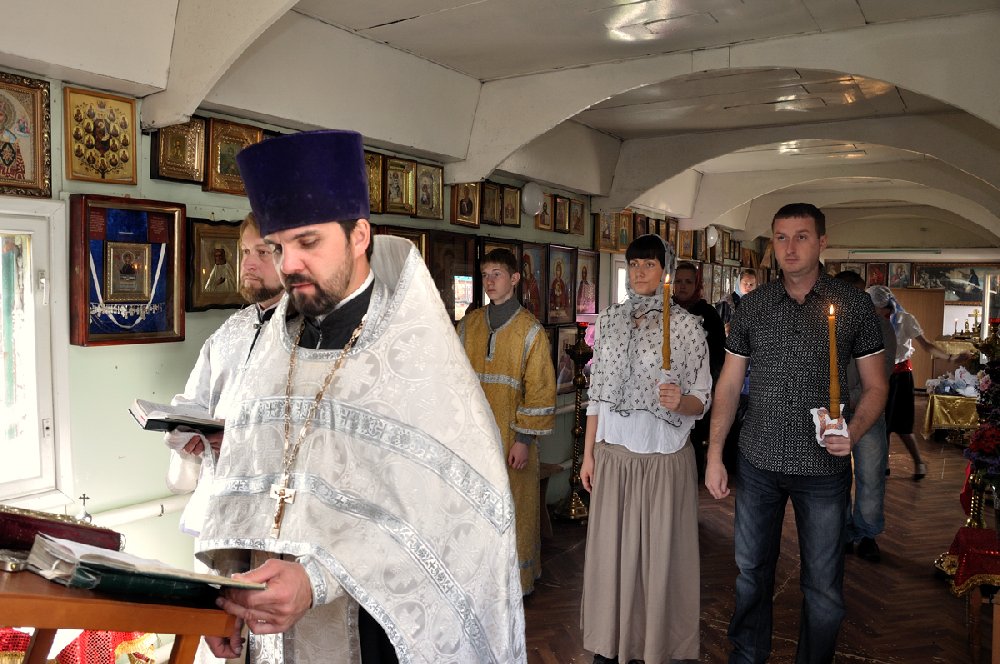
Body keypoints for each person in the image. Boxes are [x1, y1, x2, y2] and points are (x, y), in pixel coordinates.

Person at [199, 130, 525, 664]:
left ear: (359, 236)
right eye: (278, 247)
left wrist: (318, 578)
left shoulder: (416, 360)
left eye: (308, 242)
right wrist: (227, 598)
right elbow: (247, 486)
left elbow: (454, 523)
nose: (289, 265)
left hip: (376, 637)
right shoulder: (272, 354)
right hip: (269, 631)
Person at [706, 203, 888, 664]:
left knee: (823, 587)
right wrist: (714, 455)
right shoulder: (754, 306)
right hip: (758, 460)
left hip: (822, 467)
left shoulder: (852, 305)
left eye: (801, 236)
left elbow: (876, 386)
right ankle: (748, 657)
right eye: (781, 237)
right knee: (751, 574)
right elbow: (728, 383)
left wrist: (853, 432)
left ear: (822, 242)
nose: (790, 247)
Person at [580, 234, 712, 664]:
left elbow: (702, 398)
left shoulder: (687, 328)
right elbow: (597, 396)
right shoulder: (609, 322)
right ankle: (610, 643)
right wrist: (588, 454)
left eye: (649, 265)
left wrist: (681, 401)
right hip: (614, 457)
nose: (639, 272)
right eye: (634, 264)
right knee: (611, 556)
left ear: (665, 270)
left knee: (657, 558)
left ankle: (652, 645)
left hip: (661, 461)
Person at [165, 213, 284, 664]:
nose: (248, 263)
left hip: (272, 515)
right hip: (219, 506)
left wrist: (233, 440)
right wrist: (185, 430)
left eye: (262, 253)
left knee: (267, 635)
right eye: (245, 252)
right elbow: (192, 400)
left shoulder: (307, 335)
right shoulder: (230, 331)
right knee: (221, 632)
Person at [457, 248, 556, 595]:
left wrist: (524, 441)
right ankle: (479, 583)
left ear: (514, 278)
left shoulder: (530, 331)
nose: (490, 281)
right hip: (473, 440)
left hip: (513, 442)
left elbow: (541, 391)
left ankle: (515, 585)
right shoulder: (468, 326)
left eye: (497, 274)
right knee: (474, 509)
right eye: (485, 275)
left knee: (515, 509)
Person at [866, 285, 976, 480]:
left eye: (872, 306)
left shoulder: (905, 319)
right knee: (881, 423)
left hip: (900, 376)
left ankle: (918, 462)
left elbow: (927, 346)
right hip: (878, 375)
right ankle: (884, 463)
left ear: (882, 305)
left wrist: (951, 358)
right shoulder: (869, 320)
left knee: (903, 425)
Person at [833, 270, 895, 563]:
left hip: (867, 412)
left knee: (870, 474)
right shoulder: (826, 323)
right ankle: (843, 531)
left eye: (856, 294)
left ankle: (867, 533)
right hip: (833, 413)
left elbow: (883, 372)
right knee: (835, 475)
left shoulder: (880, 326)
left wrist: (854, 400)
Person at [672, 260, 726, 479]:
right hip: (671, 385)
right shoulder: (665, 310)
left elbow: (718, 355)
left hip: (699, 387)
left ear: (696, 285)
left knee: (694, 438)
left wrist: (713, 387)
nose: (682, 286)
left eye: (688, 282)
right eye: (678, 281)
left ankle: (692, 479)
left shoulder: (708, 314)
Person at [715, 268, 757, 335]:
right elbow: (717, 330)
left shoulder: (755, 303)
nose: (748, 287)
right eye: (745, 283)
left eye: (751, 284)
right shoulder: (726, 302)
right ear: (739, 282)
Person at [521, 252, 542, 319]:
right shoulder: (523, 281)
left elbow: (537, 298)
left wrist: (533, 303)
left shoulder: (534, 281)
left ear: (529, 265)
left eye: (526, 265)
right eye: (523, 266)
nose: (525, 267)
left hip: (534, 310)